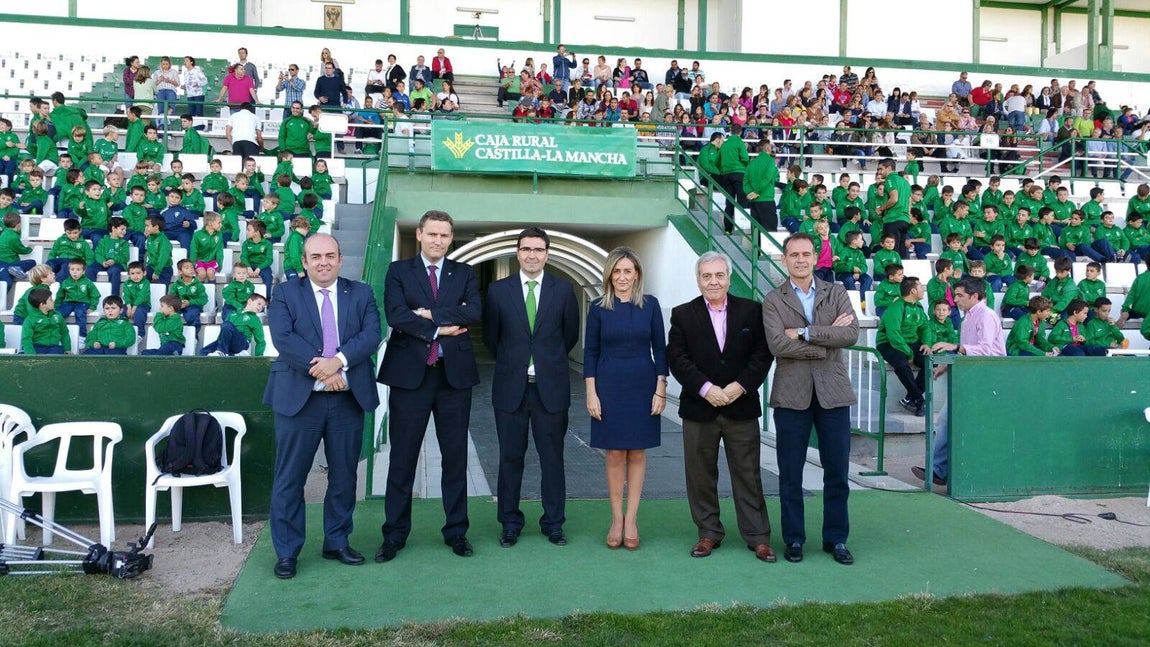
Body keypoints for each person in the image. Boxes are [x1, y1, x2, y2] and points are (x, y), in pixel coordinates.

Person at [264, 233, 381, 579]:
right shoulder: (285, 293)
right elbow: (283, 338)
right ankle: (287, 552)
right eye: (315, 256)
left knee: (344, 476)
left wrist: (338, 361)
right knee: (290, 478)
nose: (324, 261)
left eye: (330, 255)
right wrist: (326, 369)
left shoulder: (361, 293)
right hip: (299, 400)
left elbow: (371, 335)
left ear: (341, 259)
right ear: (304, 261)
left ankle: (337, 541)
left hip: (347, 400)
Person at [376, 210, 481, 562]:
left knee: (456, 458)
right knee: (403, 458)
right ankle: (394, 534)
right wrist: (441, 327)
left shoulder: (464, 273)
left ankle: (457, 532)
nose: (438, 240)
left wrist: (426, 315)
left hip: (454, 379)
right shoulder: (398, 271)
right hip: (410, 377)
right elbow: (395, 314)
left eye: (445, 235)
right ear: (419, 234)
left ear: (451, 239)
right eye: (432, 234)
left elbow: (473, 312)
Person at [667, 251, 775, 562]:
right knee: (700, 474)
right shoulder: (683, 314)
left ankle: (758, 537)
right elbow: (677, 357)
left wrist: (739, 386)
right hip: (699, 409)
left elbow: (762, 354)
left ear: (728, 277)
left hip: (740, 407)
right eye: (706, 276)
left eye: (719, 275)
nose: (713, 281)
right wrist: (705, 388)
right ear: (698, 280)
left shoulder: (752, 311)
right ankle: (708, 533)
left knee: (748, 474)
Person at [761, 232, 859, 565]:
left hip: (833, 394)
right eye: (793, 254)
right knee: (790, 473)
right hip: (791, 396)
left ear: (814, 257)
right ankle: (794, 539)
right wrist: (825, 342)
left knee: (837, 473)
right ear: (784, 259)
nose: (800, 259)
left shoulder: (837, 292)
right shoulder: (773, 299)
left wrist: (805, 333)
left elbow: (850, 334)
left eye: (806, 254)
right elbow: (777, 345)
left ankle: (836, 539)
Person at [481, 227, 580, 548]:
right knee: (510, 458)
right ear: (518, 253)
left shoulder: (564, 291)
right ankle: (510, 522)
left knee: (553, 459)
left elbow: (570, 337)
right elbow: (491, 339)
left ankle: (553, 523)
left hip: (550, 390)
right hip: (511, 389)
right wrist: (517, 362)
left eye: (538, 249)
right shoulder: (498, 291)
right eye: (526, 249)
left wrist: (545, 361)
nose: (532, 255)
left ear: (547, 254)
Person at [584, 247, 667, 551]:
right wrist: (591, 393)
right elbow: (590, 352)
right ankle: (616, 518)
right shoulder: (597, 308)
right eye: (616, 271)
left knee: (638, 453)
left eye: (627, 271)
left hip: (643, 384)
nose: (621, 277)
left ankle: (632, 519)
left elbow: (660, 348)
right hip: (608, 386)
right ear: (609, 275)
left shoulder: (651, 305)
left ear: (637, 274)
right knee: (615, 453)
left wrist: (661, 389)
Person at [913, 278, 1006, 486]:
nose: (955, 300)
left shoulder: (987, 316)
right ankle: (939, 470)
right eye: (955, 295)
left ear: (974, 296)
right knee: (946, 421)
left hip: (985, 379)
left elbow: (986, 350)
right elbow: (969, 348)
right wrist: (946, 365)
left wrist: (953, 347)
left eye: (960, 296)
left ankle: (959, 471)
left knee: (969, 425)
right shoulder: (967, 318)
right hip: (968, 376)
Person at [876, 277, 932, 417]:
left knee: (930, 362)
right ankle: (919, 400)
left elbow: (925, 327)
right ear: (913, 291)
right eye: (920, 287)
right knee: (901, 363)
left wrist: (926, 343)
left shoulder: (919, 308)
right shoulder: (895, 308)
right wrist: (909, 353)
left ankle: (910, 398)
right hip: (888, 343)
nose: (923, 289)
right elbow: (893, 335)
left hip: (911, 342)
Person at [201, 292, 268, 357]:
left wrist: (259, 357)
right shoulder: (232, 314)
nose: (260, 308)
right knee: (204, 352)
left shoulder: (255, 319)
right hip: (228, 342)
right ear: (250, 301)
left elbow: (261, 341)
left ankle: (222, 352)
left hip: (241, 342)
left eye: (262, 307)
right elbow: (224, 331)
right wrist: (220, 342)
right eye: (259, 304)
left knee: (227, 325)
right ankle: (235, 355)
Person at [21, 288, 69, 355]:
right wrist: (30, 355)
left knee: (55, 358)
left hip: (54, 347)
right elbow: (26, 339)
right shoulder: (30, 320)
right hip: (37, 347)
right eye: (50, 300)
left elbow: (64, 333)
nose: (53, 301)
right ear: (42, 305)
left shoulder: (57, 316)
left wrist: (67, 348)